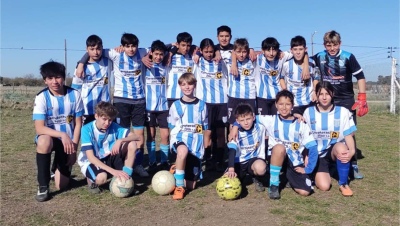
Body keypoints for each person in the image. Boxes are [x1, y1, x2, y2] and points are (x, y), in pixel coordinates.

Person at [76, 33, 149, 177]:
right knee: (118, 132)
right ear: (122, 46)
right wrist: (80, 63)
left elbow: (162, 47)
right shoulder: (115, 53)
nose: (131, 49)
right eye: (127, 46)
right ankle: (108, 164)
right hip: (121, 100)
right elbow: (92, 51)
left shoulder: (142, 52)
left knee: (139, 135)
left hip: (139, 100)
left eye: (133, 46)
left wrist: (185, 51)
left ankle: (137, 164)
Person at [313, 30, 367, 179]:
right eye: (328, 45)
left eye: (334, 45)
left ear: (340, 44)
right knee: (327, 130)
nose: (332, 48)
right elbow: (303, 58)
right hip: (327, 99)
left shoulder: (348, 57)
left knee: (349, 132)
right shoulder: (319, 56)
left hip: (346, 100)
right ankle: (330, 159)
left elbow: (360, 77)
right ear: (324, 45)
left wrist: (362, 97)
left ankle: (353, 164)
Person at [33, 61, 84, 202]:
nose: (54, 82)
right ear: (45, 81)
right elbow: (39, 128)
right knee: (43, 141)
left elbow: (78, 124)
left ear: (63, 77)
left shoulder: (75, 95)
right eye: (50, 78)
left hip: (68, 143)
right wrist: (62, 134)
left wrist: (73, 148)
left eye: (57, 77)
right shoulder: (41, 97)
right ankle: (43, 186)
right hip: (51, 138)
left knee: (62, 185)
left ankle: (55, 168)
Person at [258, 90, 318, 199]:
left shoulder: (301, 124)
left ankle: (287, 177)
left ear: (293, 106)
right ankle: (274, 184)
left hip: (294, 160)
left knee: (305, 191)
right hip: (277, 155)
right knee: (279, 148)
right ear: (276, 105)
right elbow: (250, 117)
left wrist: (308, 169)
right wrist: (234, 126)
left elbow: (313, 147)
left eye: (287, 104)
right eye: (281, 104)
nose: (284, 107)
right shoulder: (271, 120)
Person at [303, 81, 357, 197]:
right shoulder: (308, 112)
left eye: (327, 94)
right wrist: (306, 154)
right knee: (324, 186)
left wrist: (352, 151)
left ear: (332, 94)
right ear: (316, 95)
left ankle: (343, 184)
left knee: (342, 148)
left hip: (333, 150)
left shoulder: (343, 112)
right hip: (316, 154)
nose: (324, 97)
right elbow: (304, 136)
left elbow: (348, 134)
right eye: (320, 94)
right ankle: (326, 170)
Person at [77, 101, 140, 194]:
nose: (107, 123)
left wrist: (120, 140)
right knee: (102, 178)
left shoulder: (113, 126)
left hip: (109, 157)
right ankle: (91, 182)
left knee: (132, 144)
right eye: (104, 119)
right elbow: (90, 157)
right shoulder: (86, 129)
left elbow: (137, 137)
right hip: (91, 161)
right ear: (96, 116)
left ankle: (126, 181)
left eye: (110, 120)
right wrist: (114, 171)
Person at [168, 73, 208, 200]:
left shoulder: (202, 105)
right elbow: (172, 126)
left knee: (192, 185)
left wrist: (206, 142)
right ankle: (179, 187)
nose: (187, 87)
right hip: (180, 139)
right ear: (180, 86)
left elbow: (205, 126)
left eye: (190, 84)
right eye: (183, 84)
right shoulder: (176, 105)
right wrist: (173, 143)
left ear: (195, 85)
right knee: (182, 150)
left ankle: (176, 171)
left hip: (196, 143)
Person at [194, 38, 229, 171]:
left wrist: (219, 51)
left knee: (220, 133)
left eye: (211, 51)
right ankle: (207, 159)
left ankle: (219, 160)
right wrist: (197, 53)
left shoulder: (221, 60)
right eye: (206, 51)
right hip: (206, 103)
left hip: (222, 102)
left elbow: (232, 54)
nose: (209, 54)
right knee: (207, 132)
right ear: (201, 51)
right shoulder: (198, 61)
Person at [224, 103, 268, 194]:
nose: (246, 122)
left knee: (261, 168)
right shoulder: (235, 132)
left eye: (248, 119)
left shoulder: (260, 126)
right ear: (237, 121)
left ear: (253, 117)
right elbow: (232, 151)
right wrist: (231, 168)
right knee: (229, 181)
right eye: (242, 120)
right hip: (239, 162)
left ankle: (257, 178)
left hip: (253, 159)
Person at [72, 34, 111, 125]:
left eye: (98, 49)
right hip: (86, 109)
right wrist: (81, 63)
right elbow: (75, 89)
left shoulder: (108, 62)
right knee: (88, 137)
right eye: (92, 49)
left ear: (102, 48)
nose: (96, 52)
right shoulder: (80, 68)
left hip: (105, 109)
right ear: (87, 49)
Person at [143, 40, 170, 171]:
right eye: (156, 54)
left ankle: (165, 161)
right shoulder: (145, 65)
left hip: (164, 107)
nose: (159, 57)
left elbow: (172, 47)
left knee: (165, 135)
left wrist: (170, 46)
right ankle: (152, 161)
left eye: (161, 54)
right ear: (151, 53)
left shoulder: (166, 65)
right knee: (151, 135)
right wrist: (146, 57)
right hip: (149, 107)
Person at [280, 35, 319, 115]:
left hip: (309, 102)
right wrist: (285, 90)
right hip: (294, 103)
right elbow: (281, 78)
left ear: (305, 49)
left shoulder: (312, 63)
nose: (298, 52)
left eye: (301, 49)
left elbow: (316, 78)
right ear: (291, 50)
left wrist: (315, 91)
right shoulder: (286, 64)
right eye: (295, 49)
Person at [226, 38, 257, 126]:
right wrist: (234, 63)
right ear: (234, 52)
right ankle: (232, 140)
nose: (242, 55)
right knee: (232, 124)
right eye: (239, 52)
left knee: (249, 124)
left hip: (249, 97)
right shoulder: (229, 60)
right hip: (234, 96)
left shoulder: (253, 60)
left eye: (244, 52)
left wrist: (251, 49)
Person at [166, 32, 195, 107]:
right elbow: (158, 47)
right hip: (172, 97)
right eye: (183, 45)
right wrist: (172, 47)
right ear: (177, 44)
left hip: (188, 97)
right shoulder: (169, 56)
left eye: (188, 45)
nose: (186, 48)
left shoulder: (192, 56)